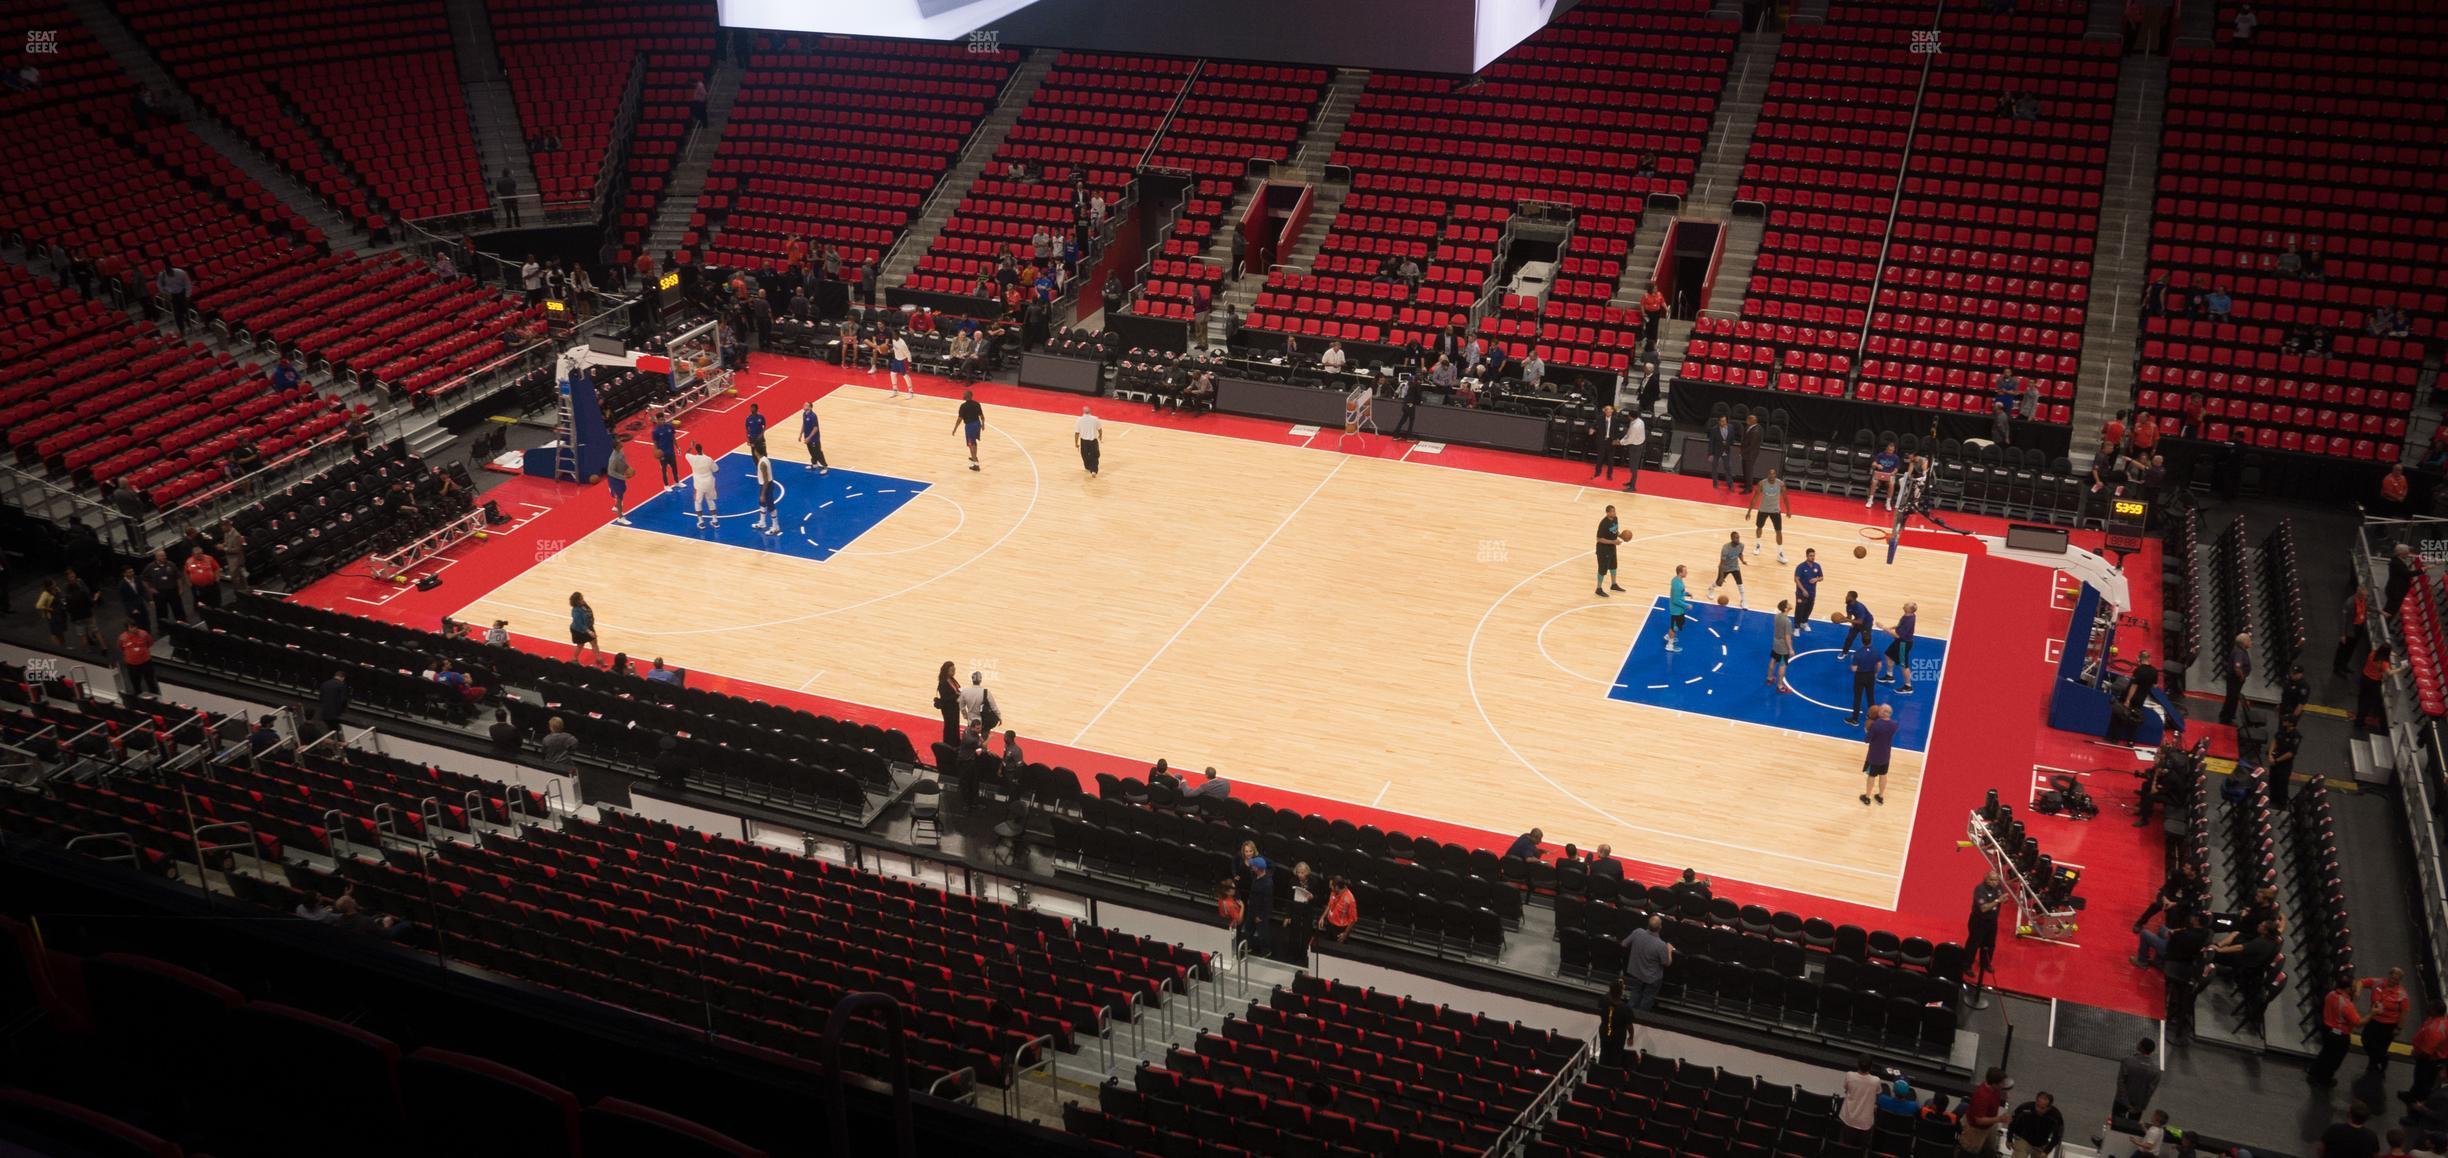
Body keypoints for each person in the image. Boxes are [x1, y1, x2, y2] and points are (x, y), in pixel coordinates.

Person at [2311, 975, 2366, 1085]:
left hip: (2327, 1029)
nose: (2355, 989)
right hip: (2339, 1035)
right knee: (2335, 1059)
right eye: (2353, 987)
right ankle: (2325, 1080)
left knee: (2325, 1053)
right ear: (2348, 989)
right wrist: (2372, 1013)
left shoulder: (2331, 994)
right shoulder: (2346, 1004)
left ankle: (2314, 1072)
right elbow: (2357, 1023)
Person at [2362, 968, 2413, 1075]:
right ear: (2389, 975)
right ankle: (2382, 1059)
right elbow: (2362, 982)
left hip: (2389, 1025)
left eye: (2396, 979)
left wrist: (2399, 1028)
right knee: (2365, 1039)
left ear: (2399, 981)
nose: (2393, 981)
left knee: (2382, 1046)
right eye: (2392, 977)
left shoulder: (2402, 995)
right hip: (2374, 1019)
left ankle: (2373, 1063)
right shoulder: (2378, 983)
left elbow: (2404, 1012)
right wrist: (2357, 990)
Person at [1620, 915, 1672, 1011]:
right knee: (1648, 998)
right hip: (1652, 977)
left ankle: (1628, 1013)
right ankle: (1641, 1017)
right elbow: (1666, 963)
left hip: (1637, 972)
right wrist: (1669, 950)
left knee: (1635, 992)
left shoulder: (1637, 932)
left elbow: (1623, 943)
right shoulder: (1661, 945)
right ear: (1660, 927)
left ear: (1648, 925)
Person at [1957, 1068, 2008, 1156]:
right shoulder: (1982, 1096)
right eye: (2001, 1083)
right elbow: (1979, 1120)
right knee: (1968, 1153)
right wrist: (1999, 1119)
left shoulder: (1994, 1089)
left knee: (1988, 1151)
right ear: (1994, 1084)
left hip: (1987, 1127)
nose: (2003, 1085)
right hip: (1974, 1131)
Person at [1839, 1056, 1882, 1150]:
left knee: (1844, 1149)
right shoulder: (1876, 1081)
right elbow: (1877, 1096)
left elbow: (1846, 1090)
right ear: (1870, 1067)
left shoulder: (1849, 1075)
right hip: (1865, 1123)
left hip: (1848, 1119)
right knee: (1861, 1151)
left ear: (1857, 1064)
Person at [1967, 871, 2004, 981]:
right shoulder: (1980, 889)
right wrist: (1998, 901)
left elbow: (2002, 897)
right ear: (1986, 879)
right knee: (1973, 944)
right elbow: (1983, 908)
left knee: (1990, 944)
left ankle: (1985, 963)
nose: (1994, 882)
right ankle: (1967, 965)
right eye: (1992, 880)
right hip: (1979, 921)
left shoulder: (1998, 888)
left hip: (1992, 921)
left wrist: (2003, 899)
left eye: (1996, 880)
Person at [2407, 1008, 2448, 1106]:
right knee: (2420, 1080)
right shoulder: (2442, 1022)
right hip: (2434, 1060)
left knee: (2423, 1082)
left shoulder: (2435, 1029)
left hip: (2429, 1061)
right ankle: (2412, 1095)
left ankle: (2417, 1106)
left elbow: (2427, 1051)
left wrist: (2416, 1054)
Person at [1240, 842, 1274, 955]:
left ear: (1258, 868)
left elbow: (1267, 902)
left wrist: (1261, 916)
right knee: (1249, 928)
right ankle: (1248, 947)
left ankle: (1266, 951)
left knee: (1262, 932)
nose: (1251, 866)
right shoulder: (1255, 875)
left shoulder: (1267, 883)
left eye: (1253, 865)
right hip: (1252, 907)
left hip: (1260, 912)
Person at [2006, 1092, 2063, 1158]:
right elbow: (2012, 1122)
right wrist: (2009, 1139)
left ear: (2049, 1107)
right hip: (2023, 1139)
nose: (2038, 1109)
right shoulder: (2025, 1108)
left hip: (2041, 1144)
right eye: (2037, 1106)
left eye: (2042, 1108)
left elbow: (2057, 1136)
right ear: (2035, 1102)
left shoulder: (2055, 1116)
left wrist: (2046, 1151)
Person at [1861, 704, 1896, 806]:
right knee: (1883, 775)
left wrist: (1867, 730)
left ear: (1882, 713)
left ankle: (1867, 797)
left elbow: (1867, 740)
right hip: (1886, 755)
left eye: (1880, 710)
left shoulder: (1875, 725)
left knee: (1871, 776)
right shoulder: (1894, 724)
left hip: (1874, 756)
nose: (1878, 711)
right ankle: (1880, 796)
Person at [116, 621, 159, 697]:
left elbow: (150, 643)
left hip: (146, 662)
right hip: (132, 664)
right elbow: (121, 647)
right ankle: (138, 697)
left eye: (135, 626)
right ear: (127, 629)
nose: (135, 628)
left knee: (150, 681)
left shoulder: (144, 634)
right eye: (132, 627)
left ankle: (156, 696)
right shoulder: (122, 637)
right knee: (135, 682)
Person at [1597, 979, 1633, 1065]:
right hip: (1618, 1037)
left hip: (1605, 1032)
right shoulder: (1626, 1009)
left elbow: (1607, 995)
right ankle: (1612, 1073)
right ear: (1621, 993)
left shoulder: (1603, 1000)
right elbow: (1629, 1026)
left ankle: (1601, 1069)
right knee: (1616, 1056)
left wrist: (1616, 987)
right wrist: (1631, 1037)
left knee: (1604, 1052)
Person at [1884, 603, 1919, 691]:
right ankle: (1889, 676)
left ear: (1910, 610)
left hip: (1904, 644)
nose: (1903, 605)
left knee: (1904, 665)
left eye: (1906, 605)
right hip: (1900, 642)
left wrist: (1885, 628)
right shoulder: (1908, 615)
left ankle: (1908, 687)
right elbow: (1899, 626)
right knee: (1888, 655)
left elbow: (1897, 635)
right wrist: (1890, 627)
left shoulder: (1909, 620)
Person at [1594, 505, 1626, 597]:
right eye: (1612, 512)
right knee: (1602, 570)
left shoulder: (1615, 518)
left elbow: (1615, 530)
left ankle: (1614, 584)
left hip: (1612, 547)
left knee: (1613, 566)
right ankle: (1598, 589)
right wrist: (1613, 541)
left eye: (1614, 511)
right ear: (1607, 513)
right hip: (1603, 550)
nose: (1614, 513)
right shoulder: (1603, 524)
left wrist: (1622, 536)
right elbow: (1599, 539)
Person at [685, 442, 720, 528]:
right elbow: (717, 470)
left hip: (699, 484)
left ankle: (700, 522)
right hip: (709, 482)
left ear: (696, 450)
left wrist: (691, 447)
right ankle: (715, 521)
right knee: (710, 500)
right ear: (702, 449)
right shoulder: (708, 459)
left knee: (697, 501)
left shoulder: (692, 458)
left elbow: (686, 454)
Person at [1845, 640, 1880, 726]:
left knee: (1858, 697)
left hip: (1860, 677)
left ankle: (1855, 719)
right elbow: (1879, 664)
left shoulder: (1858, 653)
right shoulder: (1875, 651)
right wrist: (1875, 673)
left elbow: (1854, 669)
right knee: (1870, 696)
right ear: (1870, 641)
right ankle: (1873, 716)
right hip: (1871, 676)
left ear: (1862, 641)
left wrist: (1852, 661)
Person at [605, 436, 635, 526]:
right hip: (614, 478)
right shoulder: (613, 459)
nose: (621, 443)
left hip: (620, 476)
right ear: (616, 446)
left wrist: (628, 467)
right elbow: (611, 472)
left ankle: (616, 507)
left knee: (624, 489)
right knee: (619, 498)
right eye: (619, 443)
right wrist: (623, 477)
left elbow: (623, 462)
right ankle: (620, 518)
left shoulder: (621, 451)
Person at [1792, 548, 1823, 635]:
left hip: (1812, 593)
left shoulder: (1817, 566)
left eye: (1813, 556)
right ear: (1806, 556)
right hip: (1801, 594)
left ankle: (1804, 622)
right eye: (1811, 556)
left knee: (1809, 608)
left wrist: (1816, 579)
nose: (1813, 557)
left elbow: (1822, 577)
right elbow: (1796, 580)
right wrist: (1803, 590)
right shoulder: (1801, 567)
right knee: (1799, 610)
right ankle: (1796, 627)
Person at [751, 451, 781, 537]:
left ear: (757, 452)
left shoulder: (762, 464)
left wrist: (763, 494)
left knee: (770, 506)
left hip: (766, 486)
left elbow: (766, 480)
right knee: (762, 503)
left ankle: (776, 527)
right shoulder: (765, 459)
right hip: (766, 485)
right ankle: (762, 522)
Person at [1714, 531, 1747, 610]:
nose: (1738, 539)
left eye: (1738, 537)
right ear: (1732, 538)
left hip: (1735, 567)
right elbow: (1721, 564)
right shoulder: (1725, 548)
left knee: (1740, 584)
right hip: (1725, 567)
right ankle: (1711, 589)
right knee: (1719, 583)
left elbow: (1740, 553)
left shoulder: (1741, 545)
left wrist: (1742, 561)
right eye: (1736, 538)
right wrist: (1722, 577)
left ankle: (1743, 600)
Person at [1768, 599, 1796, 692]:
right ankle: (1780, 686)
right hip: (1783, 646)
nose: (1790, 604)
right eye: (1788, 604)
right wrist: (1790, 649)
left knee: (1773, 660)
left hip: (1775, 642)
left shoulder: (1777, 616)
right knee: (1782, 665)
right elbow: (1787, 637)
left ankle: (1769, 678)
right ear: (1785, 608)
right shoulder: (1787, 621)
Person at [156, 264, 192, 334]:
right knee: (177, 314)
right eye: (168, 273)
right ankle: (181, 329)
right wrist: (165, 293)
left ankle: (189, 326)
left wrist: (187, 296)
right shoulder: (162, 275)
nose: (170, 274)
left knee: (186, 311)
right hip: (172, 295)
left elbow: (188, 284)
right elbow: (159, 285)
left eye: (171, 272)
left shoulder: (181, 273)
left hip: (182, 292)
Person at [1319, 877, 1357, 942]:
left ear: (1336, 887)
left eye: (1331, 886)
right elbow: (1329, 905)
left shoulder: (1350, 899)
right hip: (1329, 924)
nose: (1330, 887)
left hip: (1339, 929)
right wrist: (1322, 917)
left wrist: (1345, 934)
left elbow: (1353, 919)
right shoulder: (1333, 892)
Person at [933, 662, 961, 748]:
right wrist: (957, 695)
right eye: (952, 670)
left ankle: (956, 743)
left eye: (954, 670)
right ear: (946, 671)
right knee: (949, 726)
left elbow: (957, 689)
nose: (954, 672)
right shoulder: (943, 683)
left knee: (955, 725)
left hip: (955, 707)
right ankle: (948, 744)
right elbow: (945, 698)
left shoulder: (951, 679)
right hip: (948, 709)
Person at [954, 390, 985, 471]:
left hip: (970, 426)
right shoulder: (976, 404)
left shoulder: (963, 406)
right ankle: (974, 457)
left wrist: (955, 428)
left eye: (964, 394)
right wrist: (983, 424)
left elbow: (959, 419)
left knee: (971, 444)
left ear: (967, 396)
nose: (962, 395)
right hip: (977, 424)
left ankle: (976, 465)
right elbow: (982, 416)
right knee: (974, 442)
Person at [798, 402, 829, 475]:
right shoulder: (804, 414)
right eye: (804, 405)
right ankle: (814, 464)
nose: (804, 406)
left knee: (818, 452)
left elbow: (815, 428)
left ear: (810, 407)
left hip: (814, 439)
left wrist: (809, 437)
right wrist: (800, 434)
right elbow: (804, 424)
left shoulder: (813, 416)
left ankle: (825, 466)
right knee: (811, 451)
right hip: (807, 437)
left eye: (806, 405)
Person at [568, 592, 600, 664]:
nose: (583, 599)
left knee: (594, 643)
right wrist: (589, 631)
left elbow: (588, 612)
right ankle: (574, 659)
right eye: (581, 598)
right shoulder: (576, 611)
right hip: (578, 630)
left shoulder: (584, 604)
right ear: (577, 601)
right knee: (580, 646)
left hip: (588, 626)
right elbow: (579, 624)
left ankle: (599, 659)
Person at [651, 410, 680, 487]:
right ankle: (666, 485)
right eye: (660, 420)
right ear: (657, 420)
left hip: (671, 451)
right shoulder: (655, 431)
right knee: (664, 470)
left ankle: (677, 482)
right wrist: (656, 451)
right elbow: (655, 443)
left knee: (674, 467)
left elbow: (673, 438)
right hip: (662, 453)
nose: (663, 421)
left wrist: (677, 447)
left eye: (663, 419)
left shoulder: (670, 427)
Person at [1620, 409, 1646, 492]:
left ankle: (1632, 487)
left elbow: (1630, 439)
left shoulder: (1636, 425)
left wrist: (1620, 442)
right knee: (1631, 465)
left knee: (1634, 467)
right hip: (1635, 444)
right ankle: (1631, 482)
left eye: (1628, 415)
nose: (1628, 417)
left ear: (1631, 417)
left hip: (1636, 447)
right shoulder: (1638, 421)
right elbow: (1628, 433)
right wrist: (1622, 439)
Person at [1706, 413, 1735, 490]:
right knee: (1714, 468)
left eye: (1725, 421)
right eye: (1722, 421)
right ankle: (1715, 484)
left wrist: (1727, 443)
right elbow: (1711, 442)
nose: (1724, 423)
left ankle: (1730, 485)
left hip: (1726, 451)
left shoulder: (1731, 428)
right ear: (1719, 421)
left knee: (1728, 468)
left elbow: (1732, 441)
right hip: (1716, 452)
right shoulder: (1714, 429)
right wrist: (1710, 454)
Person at [1666, 564, 1690, 652]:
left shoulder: (1676, 580)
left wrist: (1686, 593)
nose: (1687, 572)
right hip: (1676, 610)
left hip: (1678, 609)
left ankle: (1669, 636)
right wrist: (1686, 605)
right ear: (1680, 573)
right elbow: (1676, 600)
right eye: (1685, 571)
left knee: (1680, 623)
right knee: (1674, 627)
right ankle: (1670, 645)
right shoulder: (1678, 585)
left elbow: (1678, 593)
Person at [1075, 406, 1103, 477]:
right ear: (1090, 411)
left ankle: (1088, 467)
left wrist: (1076, 443)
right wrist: (1100, 435)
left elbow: (1077, 433)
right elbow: (1099, 429)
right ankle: (1093, 470)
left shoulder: (1079, 420)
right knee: (1095, 455)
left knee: (1084, 455)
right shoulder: (1095, 419)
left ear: (1083, 412)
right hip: (1093, 441)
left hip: (1083, 441)